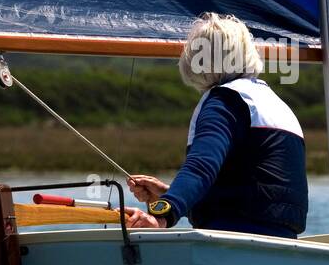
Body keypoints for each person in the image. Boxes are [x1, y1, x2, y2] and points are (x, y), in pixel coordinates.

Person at [124, 13, 307, 237]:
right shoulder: (275, 104)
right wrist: (172, 194)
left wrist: (161, 214)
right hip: (284, 242)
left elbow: (201, 166)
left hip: (234, 240)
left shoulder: (225, 101)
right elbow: (254, 188)